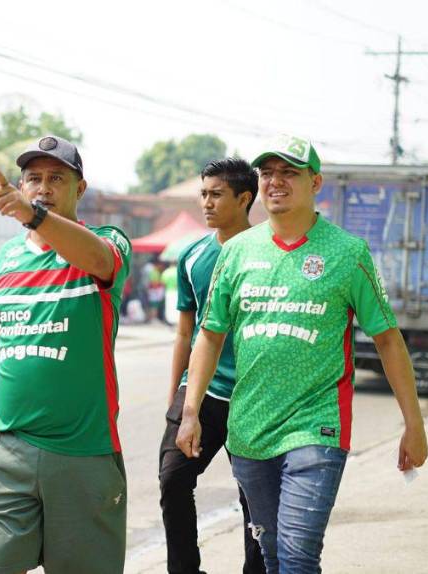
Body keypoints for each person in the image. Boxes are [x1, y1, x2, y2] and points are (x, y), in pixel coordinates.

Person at [176, 135, 428, 574]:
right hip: (250, 429)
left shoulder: (347, 253)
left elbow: (388, 340)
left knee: (297, 556)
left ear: (315, 183)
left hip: (317, 426)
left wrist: (414, 424)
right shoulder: (237, 252)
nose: (276, 181)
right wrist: (191, 411)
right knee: (273, 557)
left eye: (289, 172)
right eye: (267, 173)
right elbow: (210, 335)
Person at [0, 135, 131, 574]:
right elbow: (2, 337)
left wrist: (34, 216)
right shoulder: (7, 257)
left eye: (56, 179)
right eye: (33, 179)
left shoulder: (106, 241)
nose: (43, 188)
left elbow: (99, 259)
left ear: (79, 189)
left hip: (82, 451)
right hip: (9, 449)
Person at [159, 158, 265, 574]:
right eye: (203, 193)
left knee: (254, 496)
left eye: (216, 194)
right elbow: (185, 333)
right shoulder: (192, 256)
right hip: (202, 392)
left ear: (244, 198)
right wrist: (177, 397)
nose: (206, 202)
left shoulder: (267, 254)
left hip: (253, 396)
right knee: (173, 479)